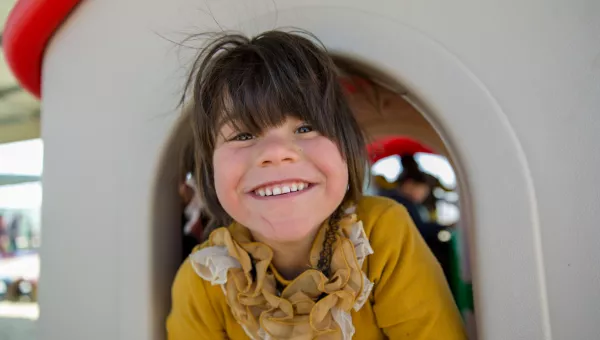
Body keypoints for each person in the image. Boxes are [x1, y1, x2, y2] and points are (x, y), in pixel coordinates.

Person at [167, 30, 465, 339]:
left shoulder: (380, 234)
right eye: (243, 135)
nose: (275, 153)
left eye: (306, 127)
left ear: (346, 150)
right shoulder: (203, 280)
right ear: (210, 171)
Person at [379, 154, 454, 282]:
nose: (422, 196)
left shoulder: (393, 200)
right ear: (409, 184)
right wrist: (445, 226)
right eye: (421, 191)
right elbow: (419, 228)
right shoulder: (401, 204)